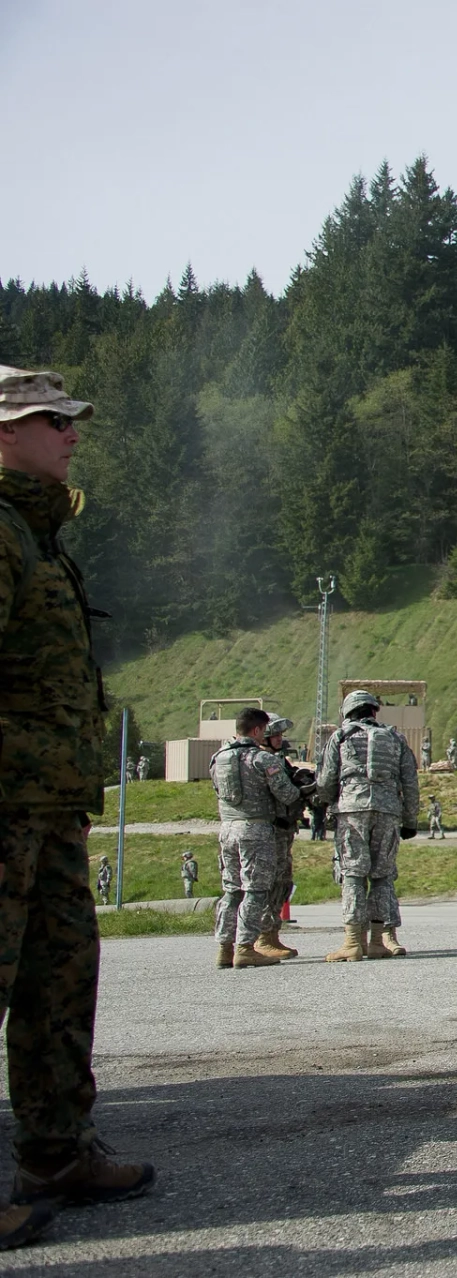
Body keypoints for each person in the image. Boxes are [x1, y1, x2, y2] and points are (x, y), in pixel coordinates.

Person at [0, 365, 156, 1243]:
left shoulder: (37, 534)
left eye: (69, 418)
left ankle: (57, 1147)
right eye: (47, 418)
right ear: (2, 435)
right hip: (5, 806)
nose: (70, 432)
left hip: (47, 807)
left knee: (60, 980)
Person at [315, 689, 419, 962]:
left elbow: (326, 780)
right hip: (388, 812)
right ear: (374, 710)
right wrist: (410, 820)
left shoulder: (340, 736)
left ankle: (351, 942)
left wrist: (325, 804)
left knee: (353, 874)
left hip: (352, 811)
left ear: (348, 712)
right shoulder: (396, 738)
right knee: (382, 876)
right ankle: (376, 941)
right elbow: (410, 782)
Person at [211, 708, 304, 971]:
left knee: (231, 891)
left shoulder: (219, 757)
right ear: (256, 731)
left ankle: (224, 948)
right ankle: (245, 948)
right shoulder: (262, 759)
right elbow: (287, 795)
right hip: (256, 831)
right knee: (255, 890)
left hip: (228, 829)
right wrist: (300, 787)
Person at [256, 715, 309, 961]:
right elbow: (285, 794)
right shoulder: (260, 760)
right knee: (271, 883)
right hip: (272, 830)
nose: (280, 739)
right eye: (275, 735)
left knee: (283, 883)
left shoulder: (277, 760)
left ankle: (272, 933)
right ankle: (262, 937)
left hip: (284, 830)